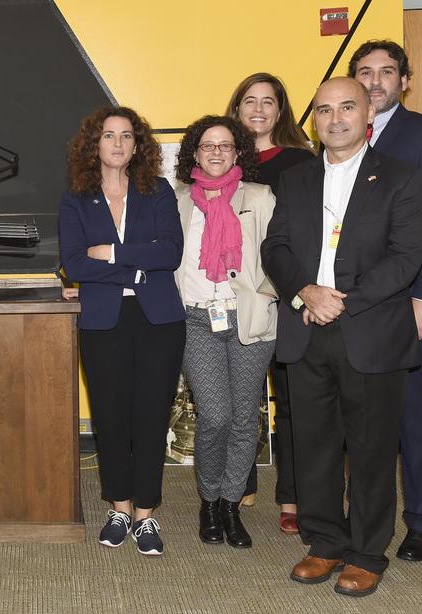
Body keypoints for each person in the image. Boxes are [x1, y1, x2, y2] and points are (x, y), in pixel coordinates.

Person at [262, 77, 422, 597]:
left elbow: (406, 258)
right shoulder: (296, 180)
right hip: (306, 330)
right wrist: (306, 292)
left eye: (347, 107)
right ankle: (326, 543)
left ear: (368, 116)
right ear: (314, 120)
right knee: (313, 446)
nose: (335, 118)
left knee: (372, 447)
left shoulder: (402, 178)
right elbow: (277, 247)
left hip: (370, 331)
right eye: (325, 110)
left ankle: (366, 553)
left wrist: (341, 299)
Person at [350, 39, 422, 563]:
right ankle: (367, 516)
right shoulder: (342, 135)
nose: (375, 81)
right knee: (365, 416)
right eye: (365, 72)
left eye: (386, 72)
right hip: (356, 303)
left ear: (404, 81)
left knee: (413, 411)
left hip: (409, 302)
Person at [58, 106, 185, 557]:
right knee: (110, 418)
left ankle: (146, 514)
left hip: (159, 322)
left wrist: (110, 254)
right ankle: (119, 507)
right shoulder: (76, 197)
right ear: (95, 144)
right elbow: (74, 264)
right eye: (108, 135)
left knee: (150, 418)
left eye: (126, 136)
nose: (117, 143)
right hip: (103, 322)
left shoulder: (158, 191)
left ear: (138, 145)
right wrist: (135, 270)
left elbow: (170, 252)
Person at [173, 115, 277, 549]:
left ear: (238, 153)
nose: (216, 152)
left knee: (243, 421)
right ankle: (208, 499)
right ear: (194, 153)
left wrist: (269, 293)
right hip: (197, 320)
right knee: (215, 416)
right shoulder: (176, 200)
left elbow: (283, 252)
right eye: (207, 145)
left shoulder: (260, 196)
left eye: (225, 145)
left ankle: (230, 506)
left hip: (249, 320)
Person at [226, 72, 315, 535]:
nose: (258, 109)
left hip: (287, 292)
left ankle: (294, 497)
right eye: (249, 101)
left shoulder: (302, 161)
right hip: (232, 295)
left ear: (281, 110)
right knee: (238, 398)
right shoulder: (220, 159)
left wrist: (298, 288)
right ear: (236, 108)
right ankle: (238, 483)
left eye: (268, 101)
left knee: (292, 398)